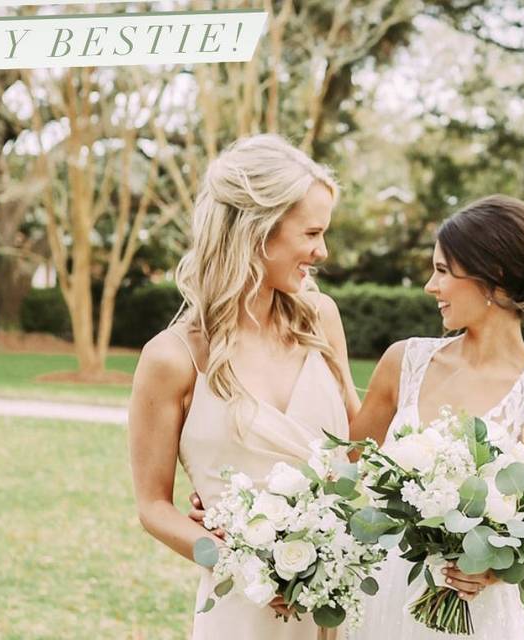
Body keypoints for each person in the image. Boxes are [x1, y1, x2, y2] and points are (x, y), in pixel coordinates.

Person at [128, 134, 360, 640]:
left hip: (338, 604)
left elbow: (359, 451)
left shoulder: (321, 317)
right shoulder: (171, 358)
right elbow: (153, 507)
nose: (322, 251)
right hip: (241, 611)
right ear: (258, 233)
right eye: (312, 233)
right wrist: (240, 563)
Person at [347, 194, 524, 639]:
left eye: (441, 271)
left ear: (493, 276)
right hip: (384, 596)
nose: (430, 287)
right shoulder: (404, 362)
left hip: (474, 615)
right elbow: (345, 469)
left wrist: (490, 570)